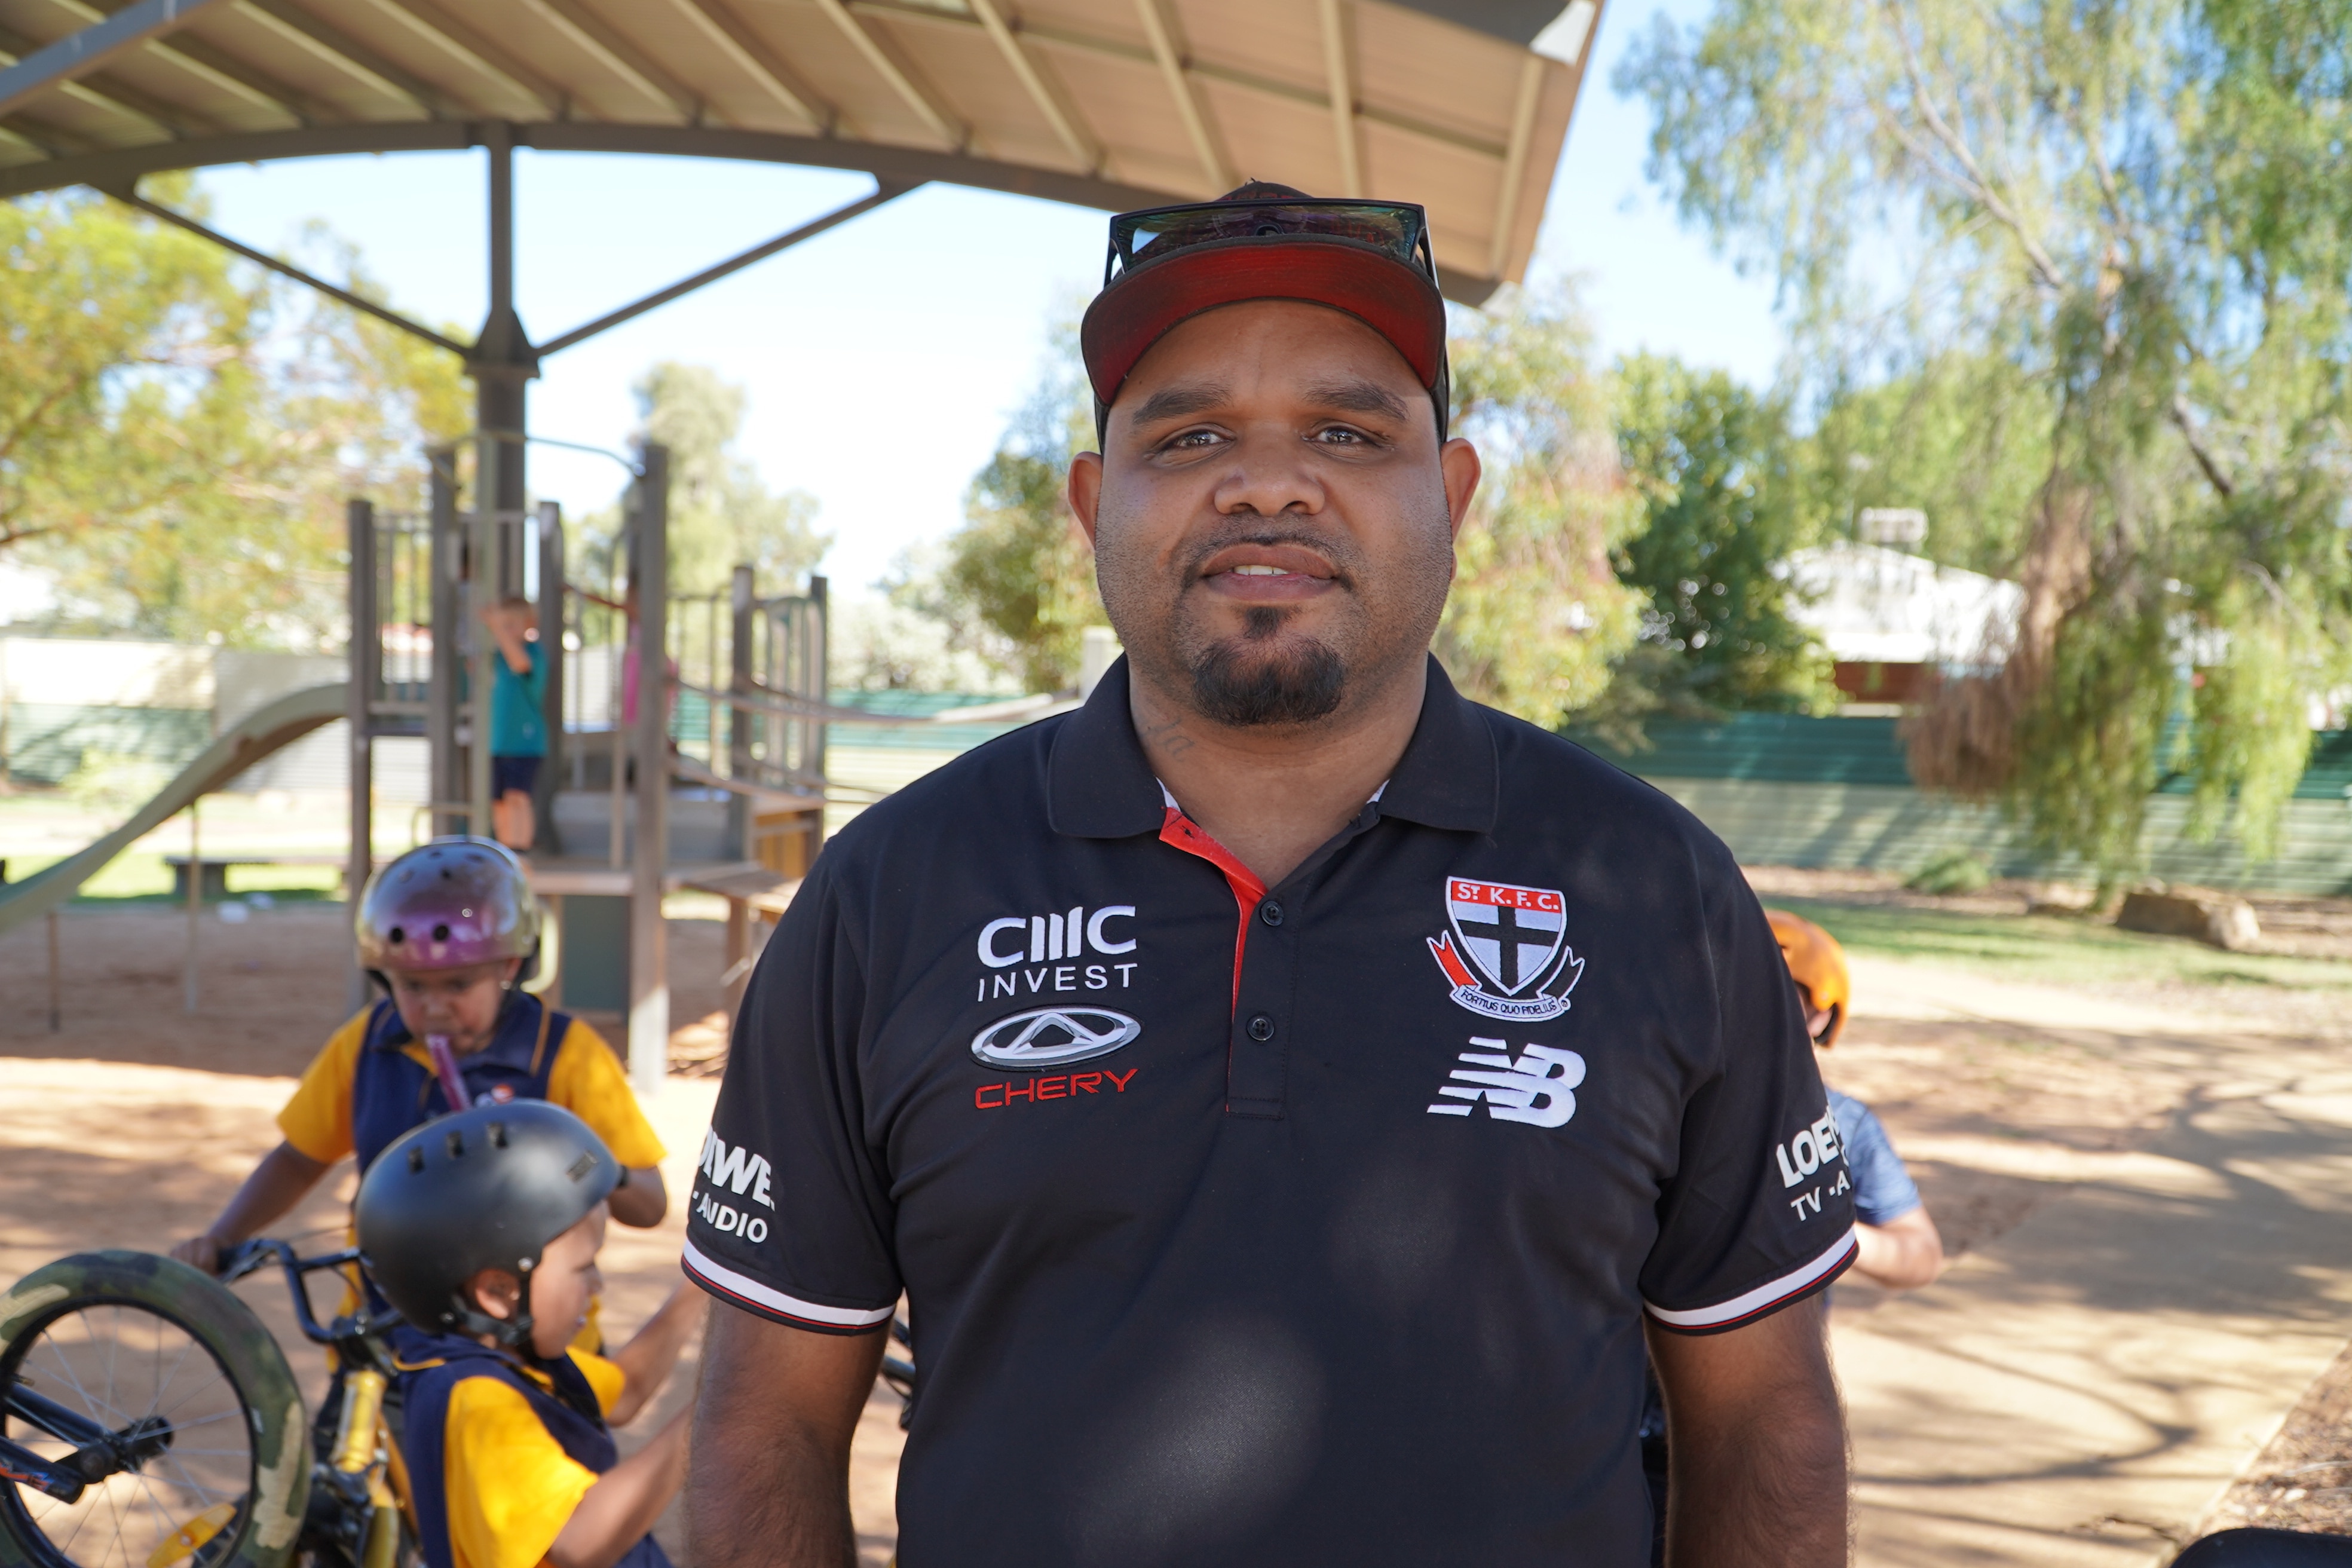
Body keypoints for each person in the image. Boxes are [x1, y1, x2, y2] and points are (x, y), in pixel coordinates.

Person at [683, 183, 1856, 1568]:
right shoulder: (887, 892)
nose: (1267, 481)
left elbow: (1766, 1414)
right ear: (1089, 501)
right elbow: (762, 1423)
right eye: (1187, 436)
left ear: (1453, 491)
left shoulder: (1659, 888)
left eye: (1347, 431)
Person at [170, 839, 667, 1304]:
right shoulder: (366, 1044)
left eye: (458, 984)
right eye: (411, 985)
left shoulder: (566, 1055)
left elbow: (650, 1204)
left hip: (529, 1344)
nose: (435, 1007)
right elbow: (298, 1160)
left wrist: (585, 1163)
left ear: (510, 966)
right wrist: (222, 1239)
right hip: (386, 1326)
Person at [354, 1102, 700, 1568]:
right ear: (498, 1291)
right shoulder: (479, 1403)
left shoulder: (511, 1357)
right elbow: (580, 1541)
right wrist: (718, 1406)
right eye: (583, 1268)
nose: (598, 1286)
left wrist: (707, 1281)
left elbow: (627, 1391)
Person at [1766, 908, 1943, 1290]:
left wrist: (1818, 1227)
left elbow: (1921, 1255)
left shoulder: (1844, 1122)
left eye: (1775, 993)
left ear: (1820, 1014)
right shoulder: (1665, 1102)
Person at [483, 595, 547, 853]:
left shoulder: (533, 655)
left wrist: (496, 627)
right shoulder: (496, 658)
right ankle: (504, 849)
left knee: (517, 797)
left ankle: (521, 851)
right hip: (499, 741)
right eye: (503, 624)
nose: (506, 630)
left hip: (524, 742)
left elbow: (519, 663)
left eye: (512, 624)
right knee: (498, 801)